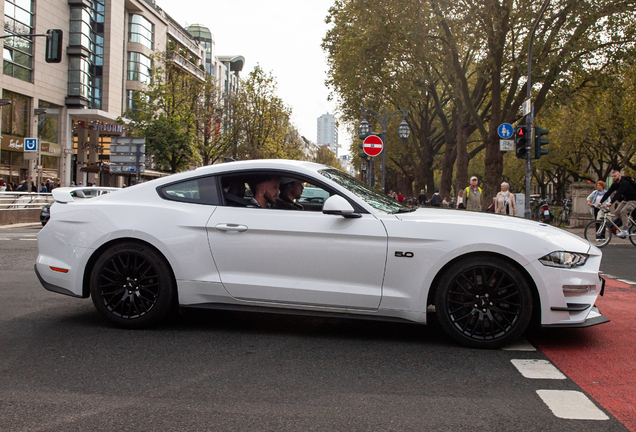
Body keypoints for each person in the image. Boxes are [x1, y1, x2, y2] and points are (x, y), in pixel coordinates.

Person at [600, 170, 636, 238]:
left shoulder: (624, 183)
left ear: (619, 176)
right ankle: (628, 223)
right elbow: (608, 193)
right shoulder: (615, 184)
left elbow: (618, 194)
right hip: (626, 200)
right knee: (617, 212)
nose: (613, 177)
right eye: (612, 176)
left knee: (623, 212)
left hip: (634, 200)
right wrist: (600, 202)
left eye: (615, 176)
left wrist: (610, 203)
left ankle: (625, 231)